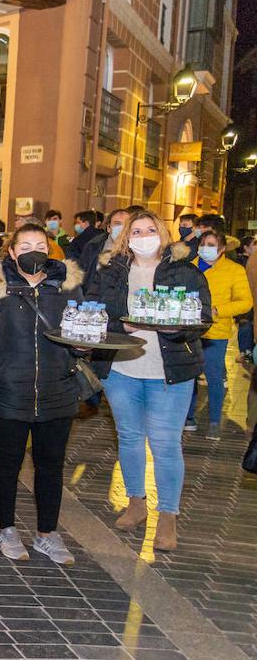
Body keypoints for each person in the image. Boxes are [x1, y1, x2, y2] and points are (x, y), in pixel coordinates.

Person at [85, 210, 210, 551]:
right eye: (136, 231)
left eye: (150, 230)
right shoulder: (111, 270)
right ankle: (136, 501)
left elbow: (203, 317)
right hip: (123, 370)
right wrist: (120, 327)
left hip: (170, 371)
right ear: (126, 236)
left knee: (166, 444)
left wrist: (178, 327)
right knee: (128, 437)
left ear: (163, 233)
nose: (143, 236)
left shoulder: (184, 270)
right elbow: (94, 311)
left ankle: (168, 515)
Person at [0, 224, 84, 564]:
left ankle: (47, 534)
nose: (34, 250)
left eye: (40, 244)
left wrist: (79, 352)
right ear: (13, 252)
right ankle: (6, 529)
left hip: (56, 389)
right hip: (7, 390)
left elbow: (84, 330)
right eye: (26, 245)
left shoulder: (66, 288)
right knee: (8, 461)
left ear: (49, 250)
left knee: (50, 465)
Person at [188, 230, 251, 438]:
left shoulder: (233, 270)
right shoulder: (190, 266)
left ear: (222, 248)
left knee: (214, 378)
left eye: (211, 244)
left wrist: (218, 310)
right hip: (188, 330)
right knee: (188, 377)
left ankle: (214, 421)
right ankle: (189, 417)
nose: (206, 248)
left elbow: (245, 302)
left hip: (215, 332)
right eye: (203, 243)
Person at [78, 208, 130, 283]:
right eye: (117, 224)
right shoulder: (93, 246)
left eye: (126, 224)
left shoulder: (135, 250)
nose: (122, 228)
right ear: (109, 228)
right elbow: (81, 273)